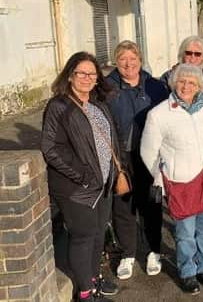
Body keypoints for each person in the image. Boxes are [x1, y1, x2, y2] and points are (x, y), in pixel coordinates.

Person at [140, 64, 203, 295]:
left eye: (191, 82)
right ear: (173, 83)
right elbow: (148, 152)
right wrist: (163, 177)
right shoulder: (158, 114)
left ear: (199, 86)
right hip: (180, 182)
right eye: (181, 81)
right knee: (185, 232)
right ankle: (187, 271)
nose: (186, 86)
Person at [41, 52, 120, 302]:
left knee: (98, 234)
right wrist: (84, 176)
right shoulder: (58, 106)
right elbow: (51, 149)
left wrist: (116, 171)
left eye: (91, 74)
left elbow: (110, 141)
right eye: (81, 73)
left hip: (103, 185)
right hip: (77, 187)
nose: (86, 78)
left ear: (97, 78)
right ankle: (84, 293)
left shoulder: (98, 104)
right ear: (70, 75)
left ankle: (92, 279)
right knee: (83, 236)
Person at [105, 41, 168, 280]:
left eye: (133, 59)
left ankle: (154, 251)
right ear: (115, 62)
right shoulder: (107, 88)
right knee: (122, 207)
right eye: (122, 59)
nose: (128, 64)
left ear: (140, 61)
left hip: (149, 156)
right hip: (120, 158)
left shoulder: (155, 87)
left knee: (150, 205)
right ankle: (128, 254)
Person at [160, 35, 203, 150]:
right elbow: (161, 110)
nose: (192, 57)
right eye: (189, 53)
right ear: (182, 55)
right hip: (175, 142)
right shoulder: (168, 78)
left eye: (197, 54)